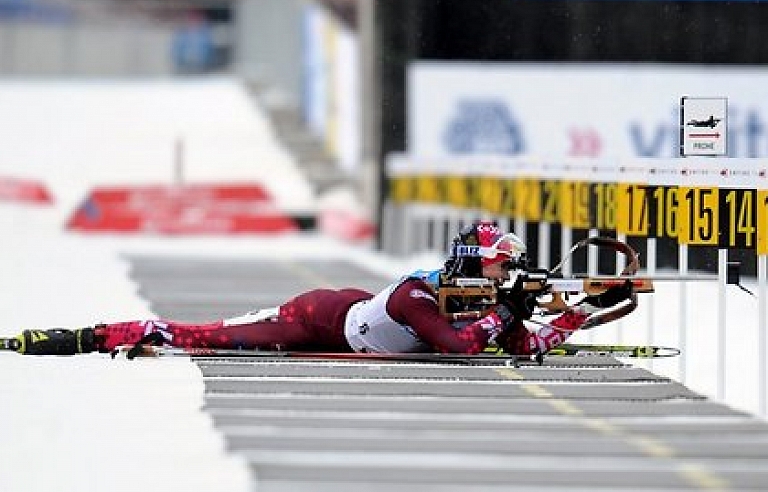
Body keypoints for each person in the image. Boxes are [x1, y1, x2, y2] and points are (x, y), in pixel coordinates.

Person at [7, 221, 633, 358]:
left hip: (356, 312)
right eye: (503, 268)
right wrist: (507, 315)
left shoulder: (479, 297)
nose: (509, 278)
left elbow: (524, 347)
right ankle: (80, 337)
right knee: (195, 336)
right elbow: (459, 347)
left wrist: (581, 312)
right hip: (320, 319)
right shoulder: (418, 295)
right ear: (478, 263)